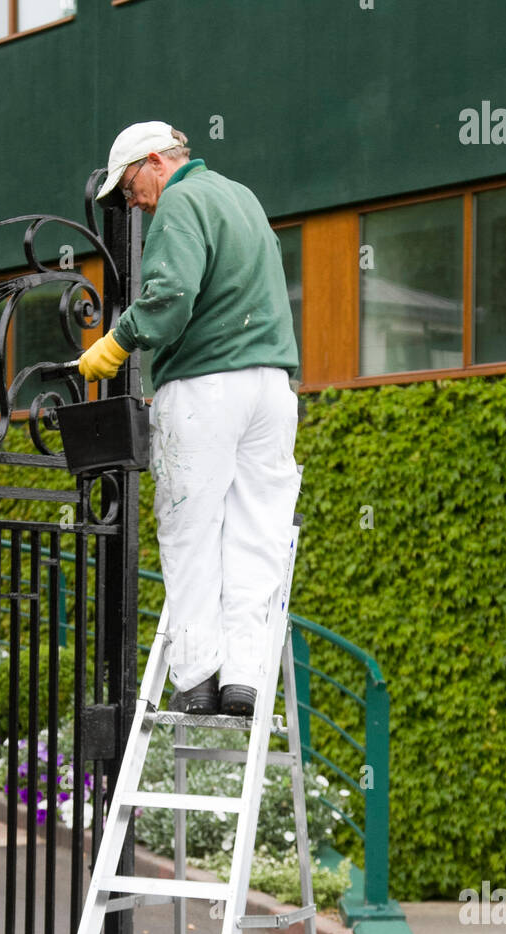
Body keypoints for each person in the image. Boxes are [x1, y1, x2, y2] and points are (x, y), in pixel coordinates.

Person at [78, 121, 300, 716]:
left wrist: (113, 346)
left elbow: (169, 298)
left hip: (206, 386)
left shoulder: (179, 201)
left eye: (130, 188)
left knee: (190, 527)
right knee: (258, 534)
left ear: (156, 162)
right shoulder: (242, 197)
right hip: (273, 390)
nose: (134, 203)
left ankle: (199, 679)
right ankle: (246, 680)